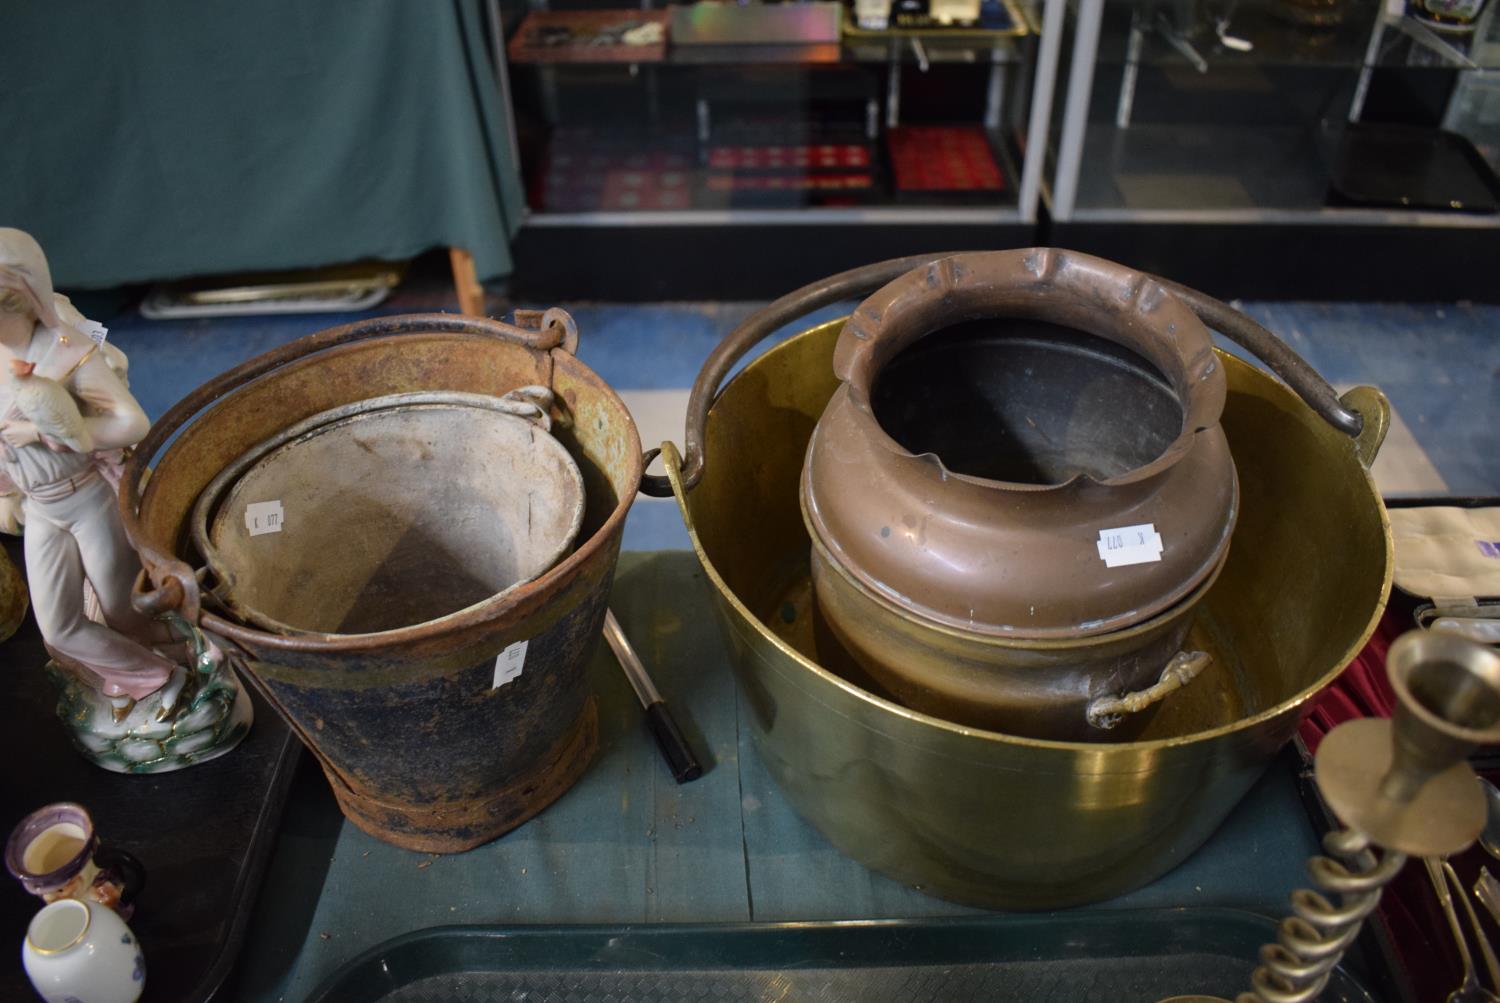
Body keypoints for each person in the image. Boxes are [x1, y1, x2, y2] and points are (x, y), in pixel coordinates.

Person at [0, 228, 180, 712]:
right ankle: (152, 676)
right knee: (58, 626)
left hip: (89, 495)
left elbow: (131, 422)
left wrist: (45, 433)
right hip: (40, 507)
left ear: (13, 297)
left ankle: (174, 674)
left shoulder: (69, 350)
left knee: (123, 608)